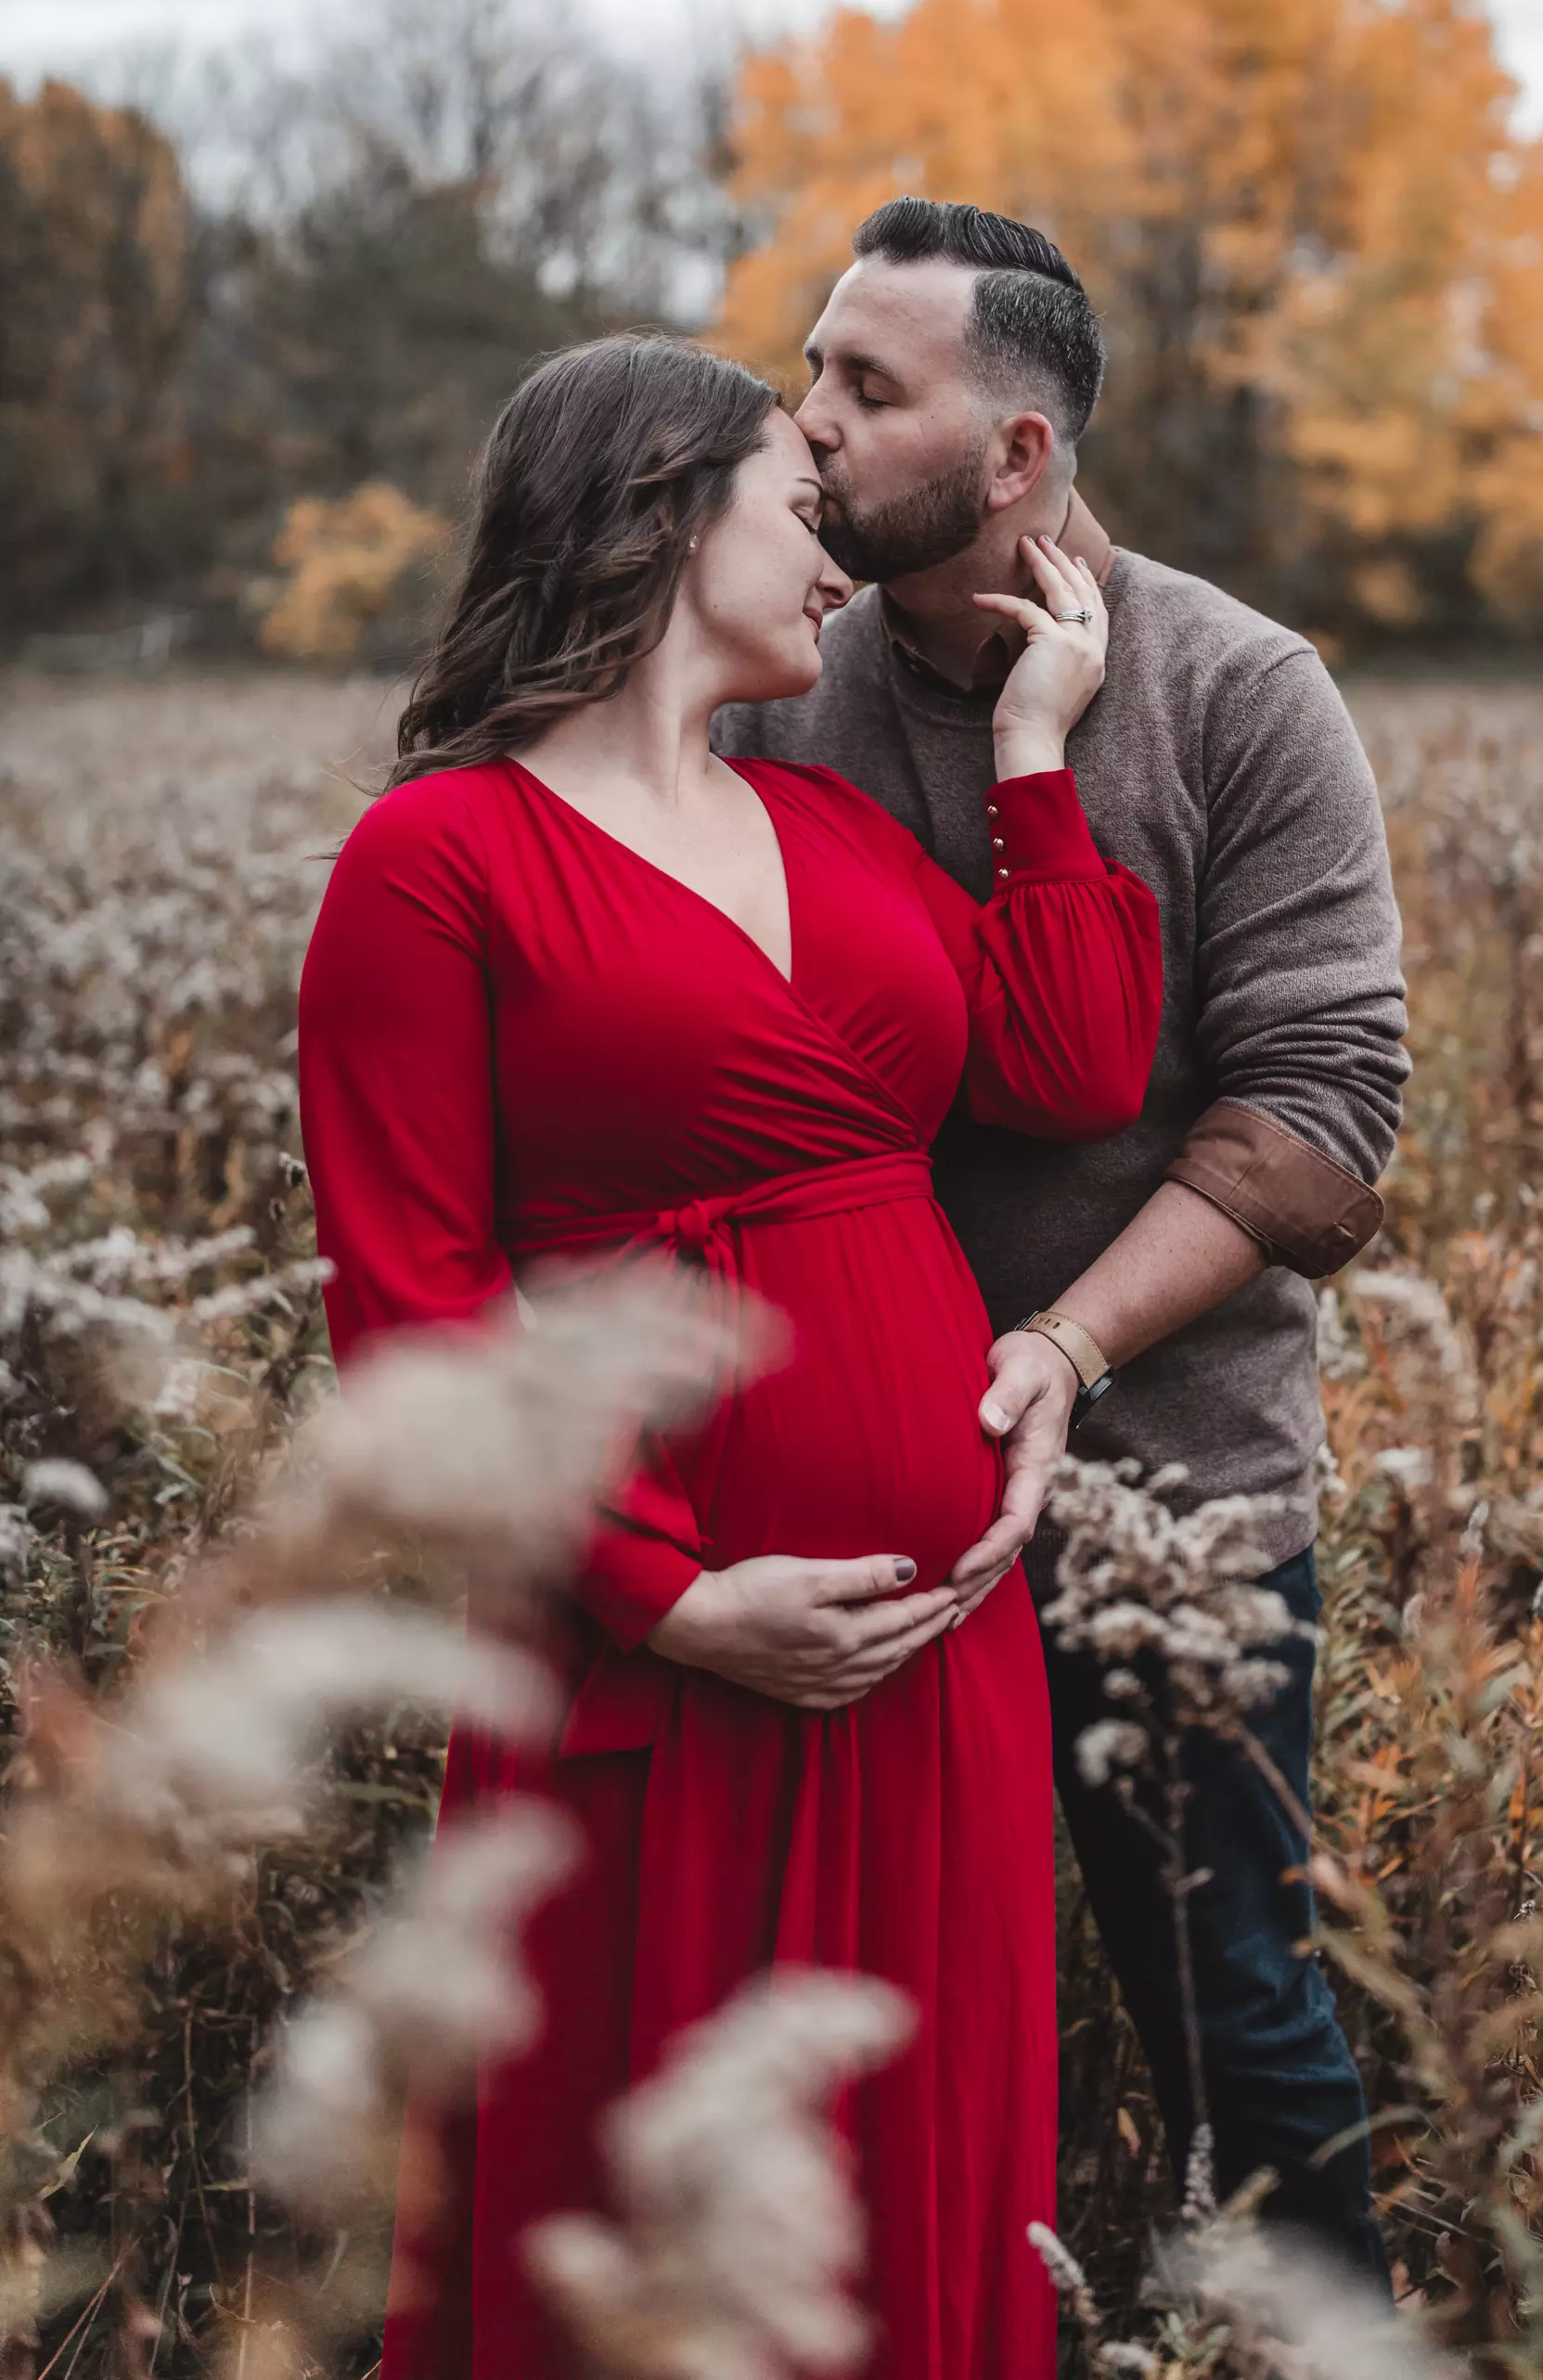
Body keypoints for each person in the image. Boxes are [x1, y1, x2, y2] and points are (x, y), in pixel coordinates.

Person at [295, 331, 1163, 2380]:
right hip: (654, 1662)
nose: (839, 554)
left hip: (932, 1653)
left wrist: (1037, 754)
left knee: (914, 2165)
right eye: (798, 499)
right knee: (645, 2186)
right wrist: (670, 1598)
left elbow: (1072, 1059)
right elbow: (408, 1318)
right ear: (667, 512)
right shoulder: (433, 864)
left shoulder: (841, 834)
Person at [716, 199, 1409, 2281]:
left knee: (1236, 2010)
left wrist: (1064, 1348)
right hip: (839, 1499)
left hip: (1166, 1508)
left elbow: (1321, 1131)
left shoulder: (1235, 694)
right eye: (809, 372)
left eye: (866, 386)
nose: (808, 424)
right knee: (831, 2025)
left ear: (1015, 454)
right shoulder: (762, 679)